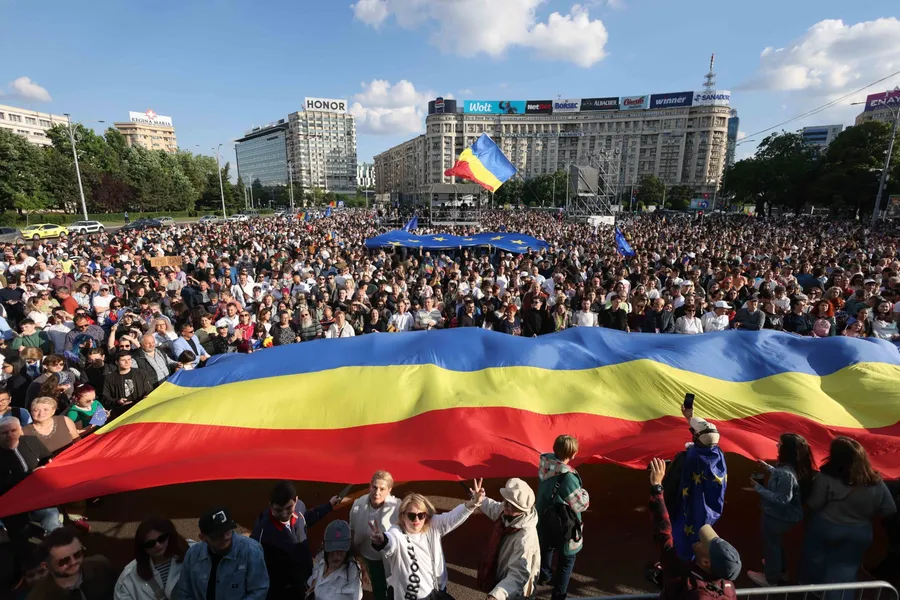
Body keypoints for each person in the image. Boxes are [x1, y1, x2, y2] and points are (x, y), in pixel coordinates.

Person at [802, 437, 897, 592]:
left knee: (815, 562)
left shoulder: (825, 477)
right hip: (860, 532)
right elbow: (890, 509)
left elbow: (814, 504)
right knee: (844, 577)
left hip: (826, 528)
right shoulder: (876, 481)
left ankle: (815, 590)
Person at [370, 481, 485, 600]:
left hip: (435, 594)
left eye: (421, 515)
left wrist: (473, 503)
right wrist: (381, 540)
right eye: (411, 515)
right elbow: (390, 541)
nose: (417, 520)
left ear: (426, 516)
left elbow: (453, 517)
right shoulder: (397, 532)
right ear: (403, 516)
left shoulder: (433, 525)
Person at [648, 458, 741, 600]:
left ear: (706, 562)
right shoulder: (728, 588)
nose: (700, 540)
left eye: (705, 544)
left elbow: (663, 532)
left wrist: (657, 488)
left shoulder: (684, 577)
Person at [249, 481, 341, 600]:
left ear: (296, 500)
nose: (284, 514)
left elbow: (306, 518)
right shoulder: (262, 532)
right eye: (278, 510)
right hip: (283, 591)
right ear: (270, 505)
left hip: (306, 579)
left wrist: (328, 506)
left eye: (288, 508)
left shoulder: (299, 508)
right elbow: (254, 563)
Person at [746, 433, 816, 587]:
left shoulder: (786, 474)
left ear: (787, 450)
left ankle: (770, 579)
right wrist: (767, 467)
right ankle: (781, 570)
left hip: (777, 517)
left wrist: (758, 488)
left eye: (780, 444)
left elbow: (782, 499)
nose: (777, 446)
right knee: (775, 544)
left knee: (771, 547)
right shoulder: (793, 468)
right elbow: (782, 477)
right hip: (784, 517)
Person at [536, 435, 590, 600]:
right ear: (572, 454)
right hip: (564, 523)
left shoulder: (545, 463)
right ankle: (558, 595)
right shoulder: (568, 477)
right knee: (567, 560)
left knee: (546, 547)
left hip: (544, 516)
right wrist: (585, 493)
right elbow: (580, 504)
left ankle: (544, 575)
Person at [175, 507, 269, 600]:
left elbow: (259, 591)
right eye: (217, 536)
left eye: (227, 532)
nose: (225, 538)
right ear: (203, 537)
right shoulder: (193, 554)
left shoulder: (251, 551)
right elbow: (184, 591)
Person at [476, 478, 540, 600]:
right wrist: (480, 499)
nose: (505, 505)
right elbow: (494, 508)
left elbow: (518, 576)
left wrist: (496, 596)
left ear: (521, 510)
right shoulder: (509, 514)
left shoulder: (525, 538)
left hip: (514, 592)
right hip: (503, 578)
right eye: (505, 500)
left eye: (510, 504)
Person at [0, 416, 60, 536]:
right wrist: (30, 475)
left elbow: (47, 458)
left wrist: (49, 463)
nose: (10, 435)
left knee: (51, 515)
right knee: (19, 536)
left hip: (37, 495)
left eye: (13, 430)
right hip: (11, 502)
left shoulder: (32, 441)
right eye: (4, 432)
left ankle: (60, 542)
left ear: (20, 429)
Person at [349, 471, 400, 600]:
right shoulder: (358, 504)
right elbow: (352, 530)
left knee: (393, 588)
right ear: (370, 485)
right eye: (374, 487)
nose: (377, 492)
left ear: (389, 490)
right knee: (376, 588)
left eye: (382, 489)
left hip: (388, 558)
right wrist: (358, 558)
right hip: (366, 557)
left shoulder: (397, 507)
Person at [114, 517, 193, 600]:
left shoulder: (194, 553)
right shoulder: (128, 578)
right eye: (150, 543)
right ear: (142, 547)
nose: (157, 545)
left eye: (162, 539)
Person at [27, 526, 116, 600]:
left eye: (78, 554)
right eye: (64, 560)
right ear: (46, 566)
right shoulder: (38, 597)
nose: (73, 562)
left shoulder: (100, 565)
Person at [307, 521, 363, 600]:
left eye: (341, 550)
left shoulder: (352, 571)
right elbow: (316, 567)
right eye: (332, 549)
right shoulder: (321, 557)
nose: (336, 555)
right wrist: (315, 579)